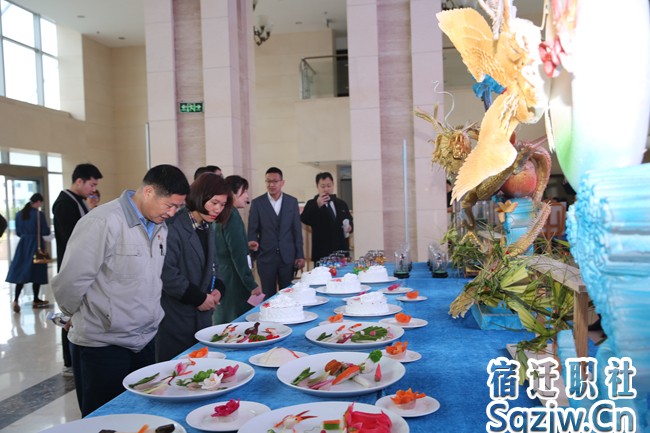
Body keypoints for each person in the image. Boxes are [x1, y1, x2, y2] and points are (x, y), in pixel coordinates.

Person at [51, 164, 189, 416]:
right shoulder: (102, 221)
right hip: (103, 345)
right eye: (169, 205)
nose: (172, 213)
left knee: (141, 416)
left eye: (178, 207)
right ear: (148, 192)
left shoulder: (160, 226)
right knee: (106, 420)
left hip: (143, 340)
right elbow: (71, 280)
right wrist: (73, 315)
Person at [156, 173, 230, 361]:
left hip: (202, 314)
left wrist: (218, 289)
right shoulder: (174, 225)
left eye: (222, 205)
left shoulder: (207, 225)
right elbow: (167, 273)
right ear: (200, 195)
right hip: (177, 315)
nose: (218, 209)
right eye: (214, 202)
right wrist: (198, 298)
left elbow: (213, 264)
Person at [53, 163, 102, 378]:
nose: (93, 189)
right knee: (70, 313)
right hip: (72, 266)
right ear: (79, 181)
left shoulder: (78, 202)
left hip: (82, 265)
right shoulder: (65, 203)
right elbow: (73, 238)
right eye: (91, 184)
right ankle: (69, 360)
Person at [213, 175, 263, 324]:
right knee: (236, 319)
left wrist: (245, 245)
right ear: (233, 193)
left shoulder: (222, 213)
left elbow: (224, 244)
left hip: (223, 274)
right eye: (244, 191)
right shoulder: (232, 215)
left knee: (225, 316)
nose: (247, 196)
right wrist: (251, 284)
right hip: (234, 277)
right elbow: (237, 255)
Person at [248, 167, 305, 299]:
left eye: (275, 181)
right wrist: (254, 253)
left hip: (288, 257)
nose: (271, 185)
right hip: (266, 257)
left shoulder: (291, 202)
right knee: (268, 295)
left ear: (282, 182)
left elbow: (296, 230)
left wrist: (300, 255)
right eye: (268, 181)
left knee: (288, 294)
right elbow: (252, 230)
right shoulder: (257, 203)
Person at [6, 193, 51, 313]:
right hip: (37, 244)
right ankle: (36, 299)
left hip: (23, 245)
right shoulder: (39, 214)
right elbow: (45, 231)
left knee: (21, 271)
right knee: (37, 271)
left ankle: (15, 300)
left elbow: (18, 232)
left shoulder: (19, 214)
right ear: (38, 202)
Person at [300, 172, 353, 264]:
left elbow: (349, 219)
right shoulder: (312, 203)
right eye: (323, 186)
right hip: (322, 253)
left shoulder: (341, 204)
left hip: (341, 252)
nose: (326, 189)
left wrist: (350, 227)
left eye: (329, 186)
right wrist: (318, 205)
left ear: (333, 185)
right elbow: (305, 219)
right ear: (317, 187)